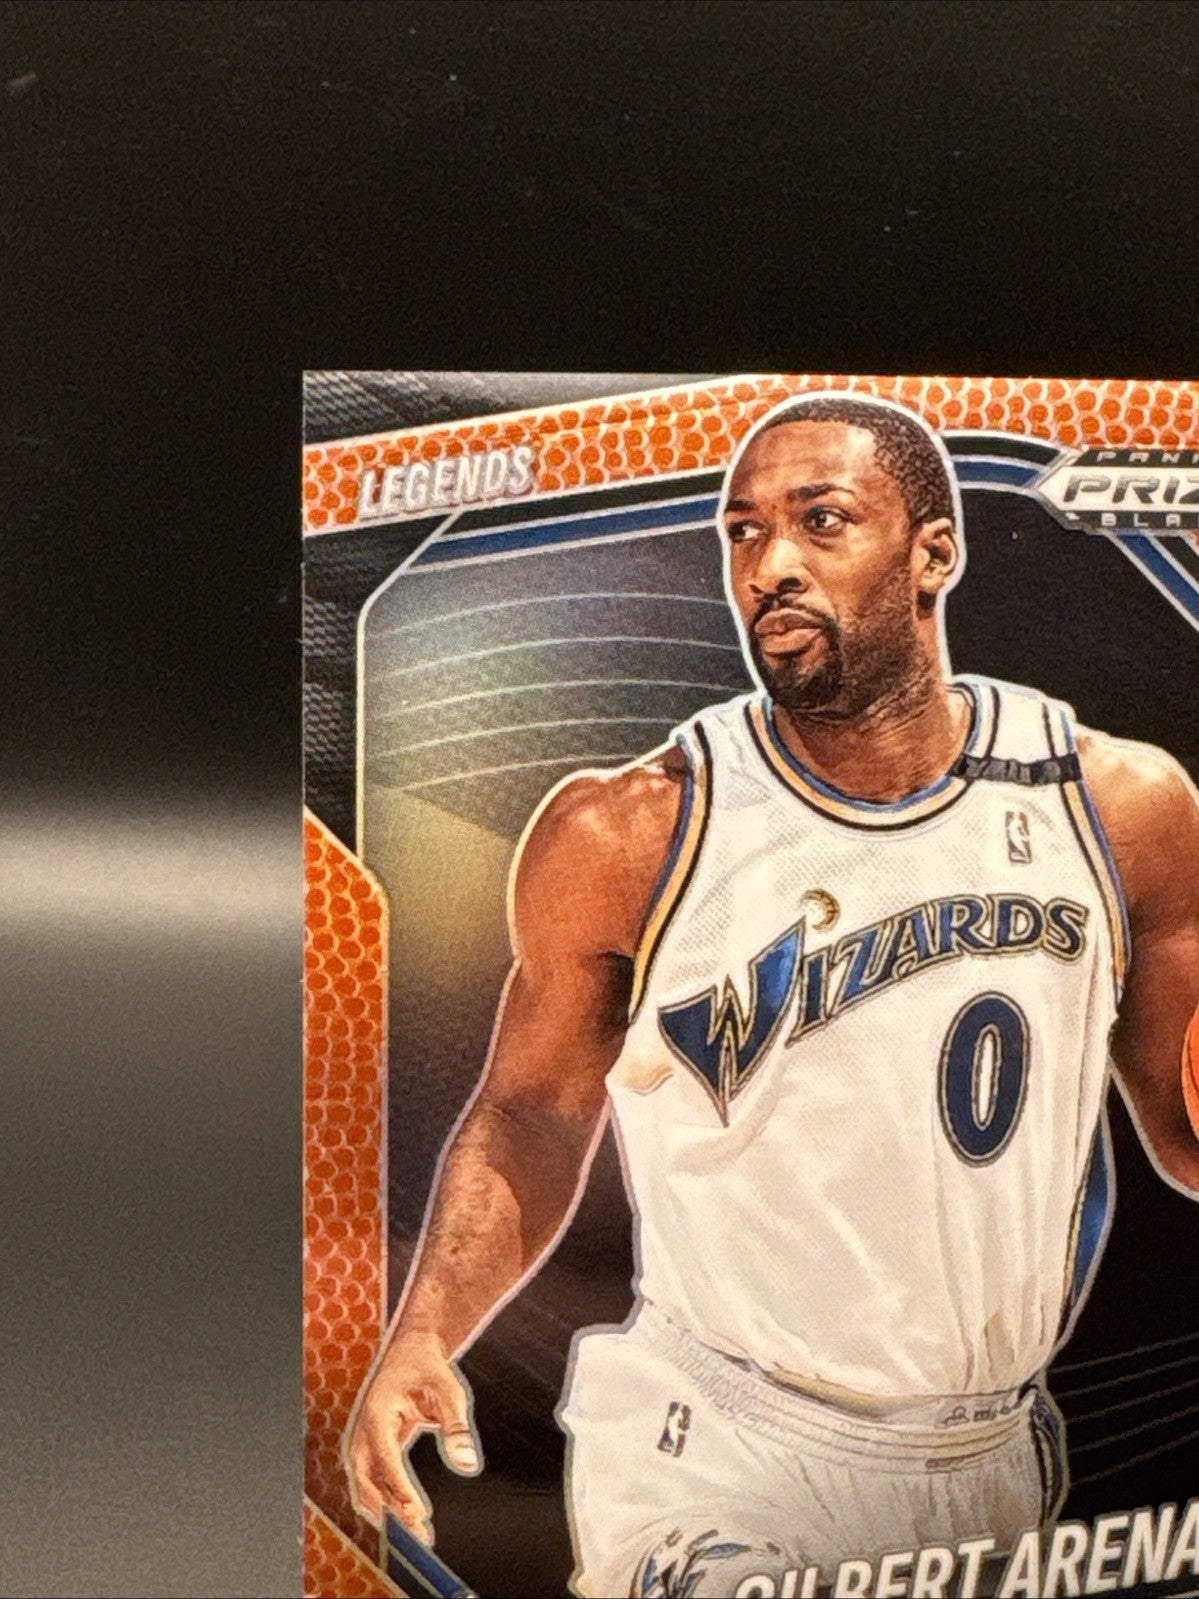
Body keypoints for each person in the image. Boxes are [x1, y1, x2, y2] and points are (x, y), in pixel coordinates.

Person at [344, 393, 1199, 1597]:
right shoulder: (630, 830)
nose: (770, 566)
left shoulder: (1115, 807)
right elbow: (531, 1110)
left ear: (932, 554)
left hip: (993, 1450)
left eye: (820, 521)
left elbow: (1177, 1122)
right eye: (743, 533)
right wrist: (426, 1330)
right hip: (719, 1441)